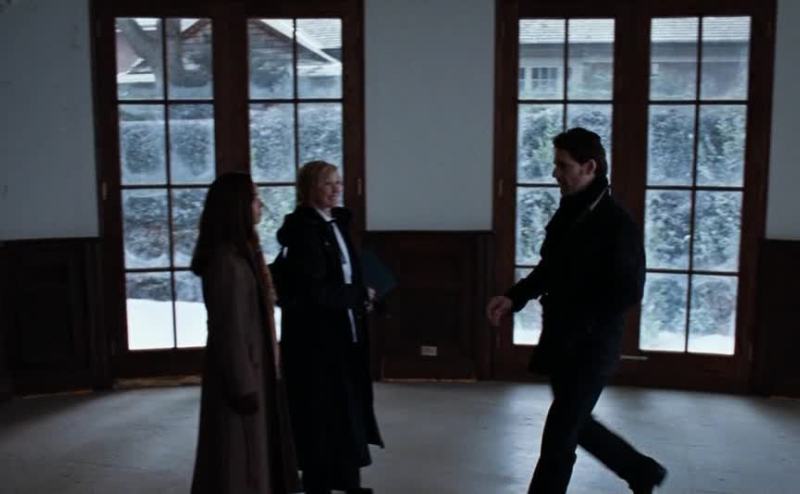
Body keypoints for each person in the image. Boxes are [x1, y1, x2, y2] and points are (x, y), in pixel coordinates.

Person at [486, 128, 667, 494]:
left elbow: (628, 291)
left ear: (590, 167)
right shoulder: (571, 212)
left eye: (563, 166)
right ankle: (640, 470)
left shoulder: (616, 224)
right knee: (575, 423)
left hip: (592, 346)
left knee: (560, 434)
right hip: (562, 340)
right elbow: (550, 269)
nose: (555, 173)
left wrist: (579, 310)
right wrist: (514, 298)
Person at [275, 161, 383, 494]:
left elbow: (347, 273)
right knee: (320, 414)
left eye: (338, 182)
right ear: (309, 189)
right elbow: (314, 291)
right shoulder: (304, 231)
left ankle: (348, 482)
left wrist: (363, 296)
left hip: (342, 333)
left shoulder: (335, 223)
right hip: (317, 341)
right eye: (328, 184)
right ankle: (319, 485)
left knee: (345, 411)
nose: (337, 189)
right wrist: (358, 294)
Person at [190, 172, 300, 494]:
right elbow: (230, 331)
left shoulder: (243, 255)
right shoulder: (228, 263)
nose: (260, 205)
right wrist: (243, 387)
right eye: (254, 198)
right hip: (242, 376)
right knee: (240, 459)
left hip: (253, 369)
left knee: (253, 454)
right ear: (237, 207)